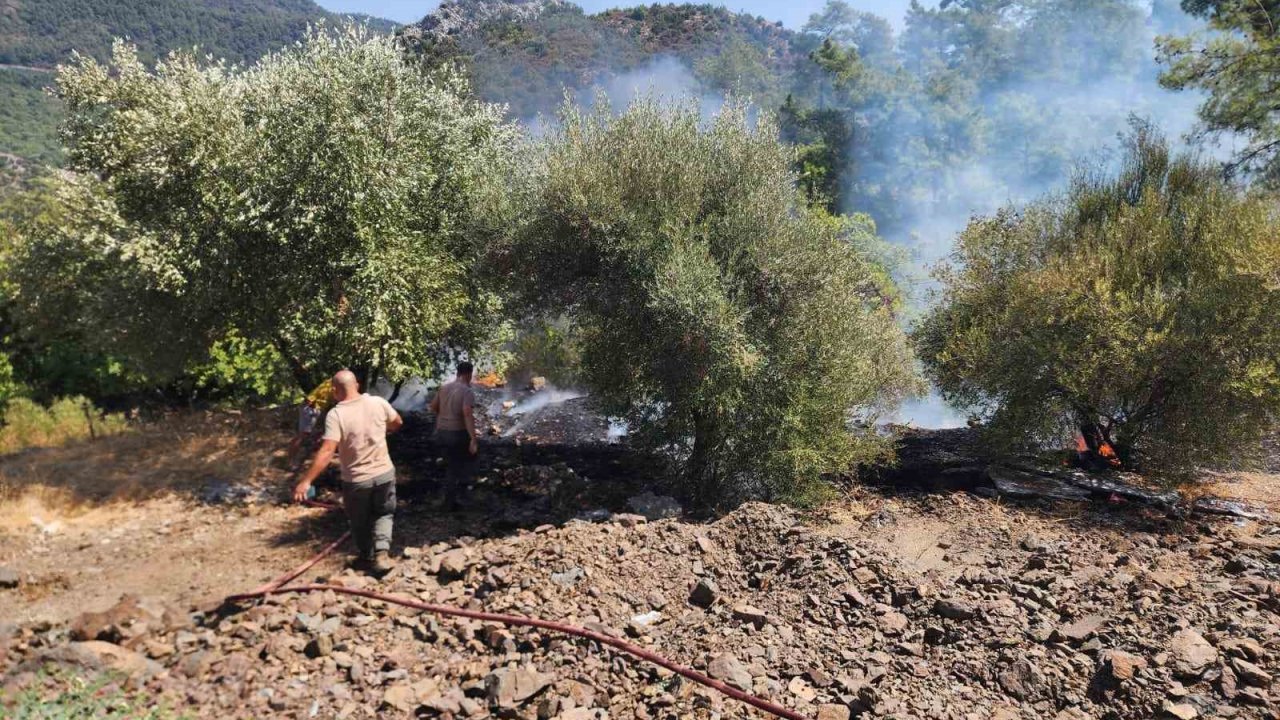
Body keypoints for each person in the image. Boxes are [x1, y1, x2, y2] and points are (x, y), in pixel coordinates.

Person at [293, 370, 403, 576]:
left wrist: (306, 481)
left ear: (335, 391)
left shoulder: (337, 415)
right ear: (358, 385)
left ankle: (365, 557)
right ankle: (382, 553)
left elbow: (327, 451)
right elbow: (398, 423)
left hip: (356, 480)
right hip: (384, 473)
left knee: (359, 520)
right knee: (384, 513)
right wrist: (381, 429)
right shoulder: (378, 403)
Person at [429, 361, 478, 505]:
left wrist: (443, 415)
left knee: (450, 463)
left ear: (457, 373)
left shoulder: (444, 388)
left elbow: (432, 407)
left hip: (441, 432)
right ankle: (453, 501)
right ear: (469, 374)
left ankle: (448, 496)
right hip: (457, 433)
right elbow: (467, 414)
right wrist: (473, 439)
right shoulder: (466, 391)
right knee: (459, 465)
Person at [288, 379, 336, 469]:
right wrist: (310, 412)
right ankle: (291, 461)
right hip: (310, 409)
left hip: (316, 410)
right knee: (302, 435)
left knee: (318, 433)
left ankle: (312, 459)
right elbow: (310, 400)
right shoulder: (329, 385)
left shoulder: (330, 384)